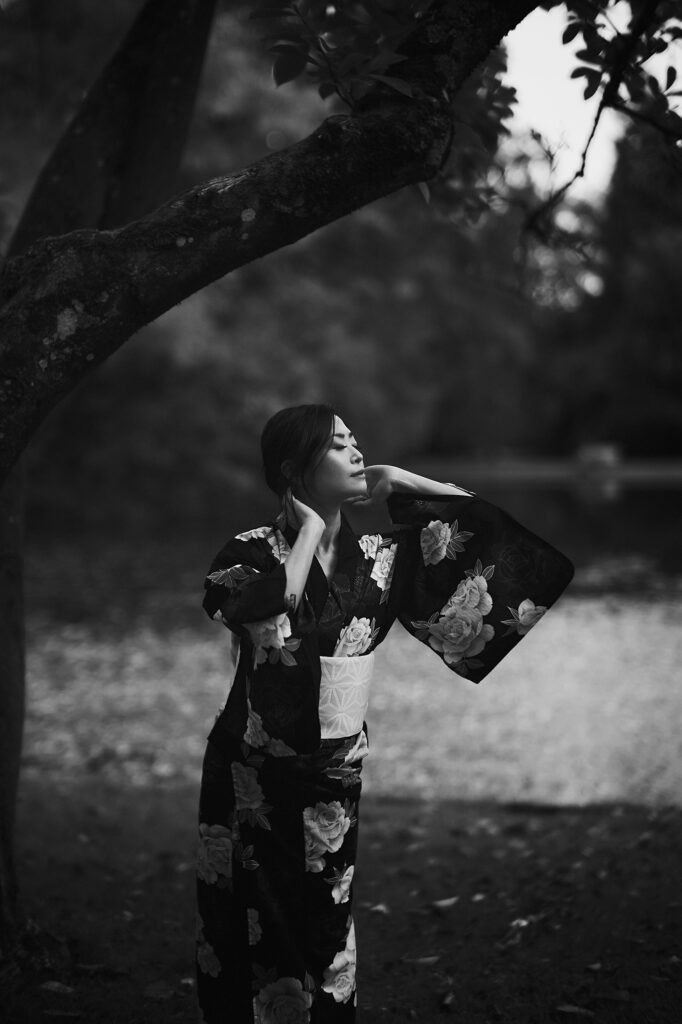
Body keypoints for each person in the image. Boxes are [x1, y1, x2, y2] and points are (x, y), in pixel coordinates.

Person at [195, 402, 574, 1023]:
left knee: (328, 919)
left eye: (354, 440)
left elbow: (488, 533)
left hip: (336, 768)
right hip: (251, 770)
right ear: (292, 466)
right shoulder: (247, 551)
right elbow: (272, 601)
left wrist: (404, 482)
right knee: (249, 917)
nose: (355, 452)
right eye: (336, 444)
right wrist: (308, 533)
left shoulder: (383, 556)